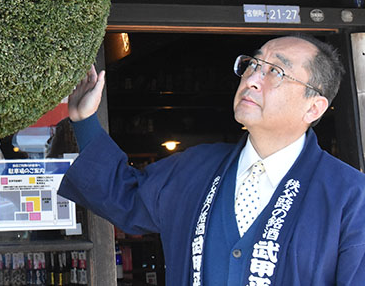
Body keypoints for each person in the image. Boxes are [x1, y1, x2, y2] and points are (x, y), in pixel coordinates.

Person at [58, 35, 365, 285]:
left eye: (276, 71)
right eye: (253, 64)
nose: (253, 78)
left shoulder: (350, 196)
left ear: (314, 107)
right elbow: (125, 196)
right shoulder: (197, 167)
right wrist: (85, 121)